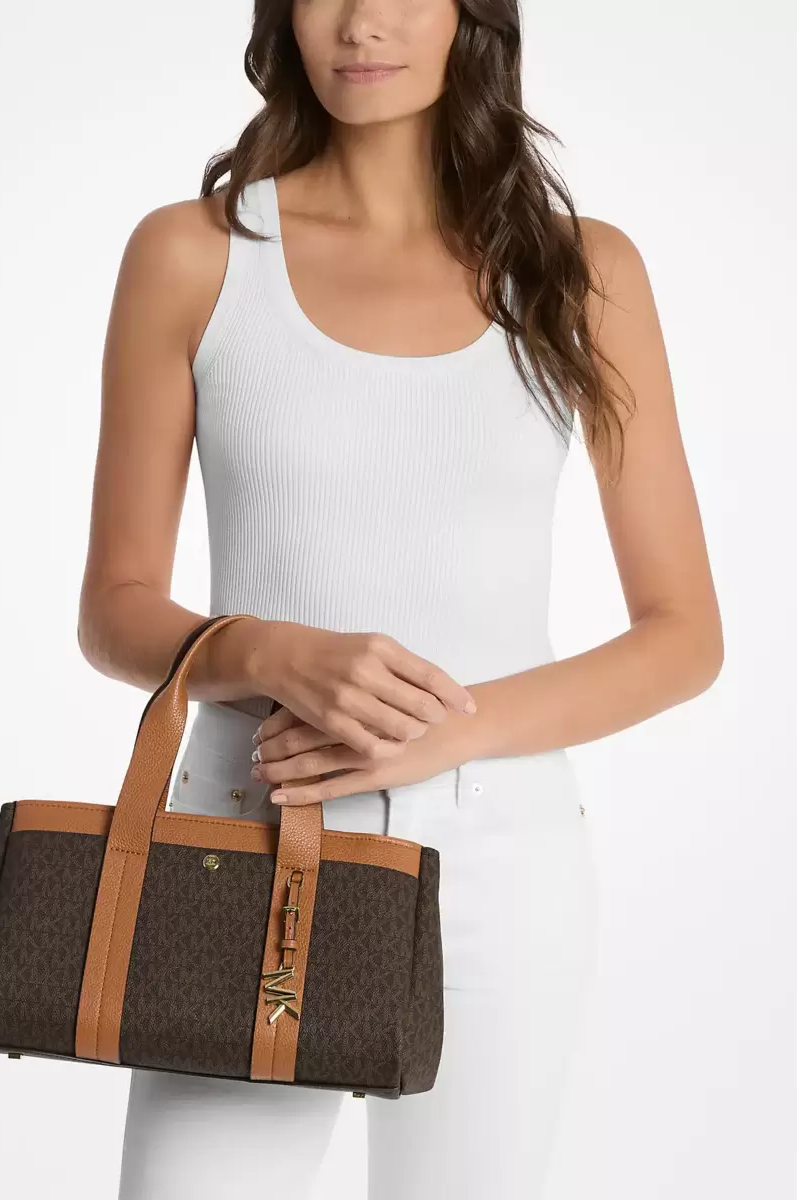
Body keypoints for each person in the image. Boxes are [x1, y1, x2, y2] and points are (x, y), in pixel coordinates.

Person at [76, 2, 723, 1197]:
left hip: (500, 860)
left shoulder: (581, 271)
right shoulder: (194, 254)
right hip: (249, 831)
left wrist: (444, 731)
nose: (362, 23)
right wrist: (268, 650)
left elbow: (684, 636)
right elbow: (114, 610)